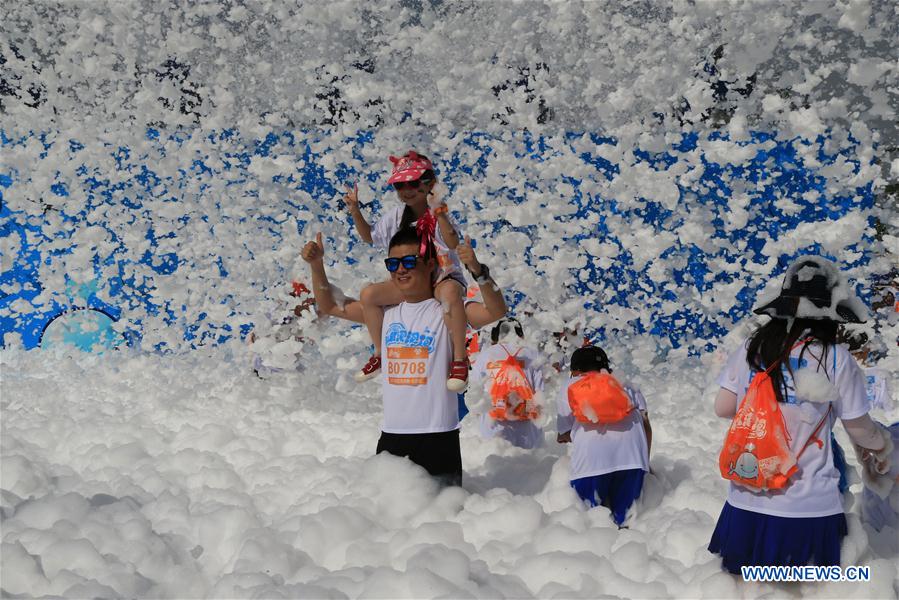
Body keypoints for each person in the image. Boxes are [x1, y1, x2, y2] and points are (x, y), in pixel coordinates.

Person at [708, 256, 892, 573]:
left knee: (746, 584)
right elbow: (859, 429)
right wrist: (883, 445)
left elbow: (723, 407)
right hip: (809, 505)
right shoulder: (836, 359)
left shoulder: (753, 347)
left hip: (744, 502)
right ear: (831, 313)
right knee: (810, 583)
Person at [344, 151, 470, 390]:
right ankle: (380, 354)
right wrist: (354, 210)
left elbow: (453, 243)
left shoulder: (440, 211)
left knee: (452, 294)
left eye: (413, 183)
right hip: (411, 281)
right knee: (369, 295)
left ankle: (460, 361)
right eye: (400, 185)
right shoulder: (397, 216)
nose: (406, 190)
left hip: (442, 277)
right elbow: (370, 237)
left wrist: (439, 213)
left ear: (429, 183)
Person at [557, 346, 652, 527]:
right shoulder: (625, 383)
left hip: (591, 464)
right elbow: (646, 424)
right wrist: (645, 461)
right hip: (632, 460)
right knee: (627, 523)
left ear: (575, 371)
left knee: (588, 524)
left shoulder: (570, 386)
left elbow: (564, 434)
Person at [469, 317, 547, 449]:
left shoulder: (484, 356)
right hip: (528, 428)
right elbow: (540, 391)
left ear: (494, 337)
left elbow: (475, 394)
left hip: (493, 427)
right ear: (521, 335)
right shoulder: (532, 354)